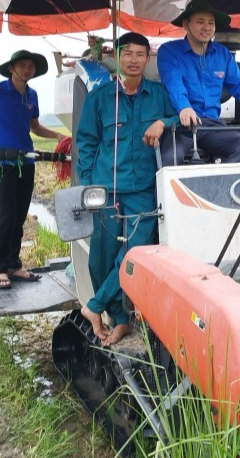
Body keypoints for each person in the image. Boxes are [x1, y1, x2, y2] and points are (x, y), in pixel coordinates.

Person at [75, 32, 176, 346]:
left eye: (140, 54)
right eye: (127, 53)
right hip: (106, 188)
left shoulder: (159, 94)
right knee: (101, 258)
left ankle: (94, 306)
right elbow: (86, 143)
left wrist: (164, 122)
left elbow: (179, 115)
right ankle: (119, 320)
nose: (134, 59)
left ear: (148, 59)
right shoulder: (100, 97)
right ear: (116, 57)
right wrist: (89, 185)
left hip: (143, 189)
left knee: (133, 254)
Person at [0, 50, 66, 290]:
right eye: (22, 65)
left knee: (19, 216)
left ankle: (14, 265)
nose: (27, 69)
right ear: (11, 68)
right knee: (6, 216)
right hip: (2, 164)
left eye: (31, 66)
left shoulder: (32, 95)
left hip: (26, 162)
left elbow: (35, 127)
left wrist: (58, 135)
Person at [156, 1, 240, 164]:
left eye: (211, 23)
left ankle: (222, 188)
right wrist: (184, 107)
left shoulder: (223, 54)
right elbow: (173, 84)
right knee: (169, 159)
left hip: (213, 126)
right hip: (180, 126)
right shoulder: (169, 51)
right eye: (200, 22)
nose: (206, 27)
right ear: (186, 24)